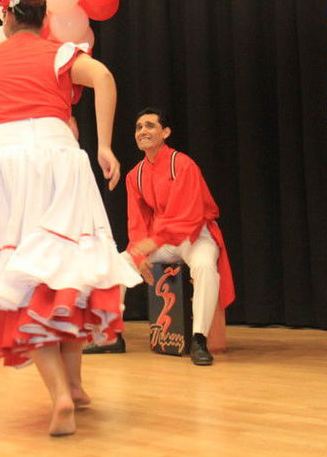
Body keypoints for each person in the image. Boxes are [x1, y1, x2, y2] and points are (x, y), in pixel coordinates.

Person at [0, 0, 141, 437]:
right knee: (67, 274)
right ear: (44, 20)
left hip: (3, 163)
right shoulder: (59, 53)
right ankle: (71, 385)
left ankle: (64, 391)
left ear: (6, 16)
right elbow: (104, 77)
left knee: (24, 281)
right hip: (58, 158)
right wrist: (103, 145)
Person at [99, 107, 234, 365]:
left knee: (205, 267)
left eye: (150, 125)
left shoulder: (183, 164)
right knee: (118, 263)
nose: (143, 131)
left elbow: (190, 215)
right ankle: (112, 336)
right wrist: (139, 256)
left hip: (195, 236)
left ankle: (199, 340)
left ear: (166, 132)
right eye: (139, 127)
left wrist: (155, 241)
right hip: (164, 240)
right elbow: (137, 222)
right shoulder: (135, 175)